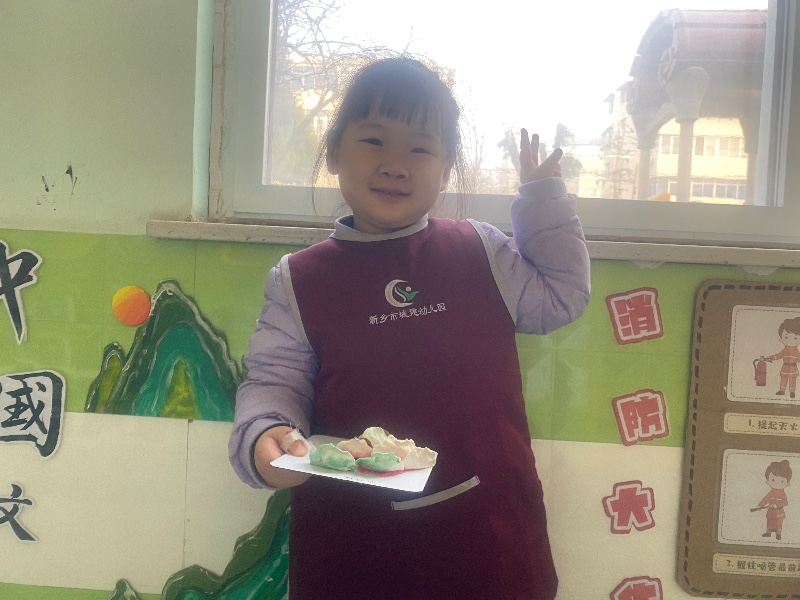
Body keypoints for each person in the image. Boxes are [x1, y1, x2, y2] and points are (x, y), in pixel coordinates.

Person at [229, 56, 591, 600]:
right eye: (374, 140)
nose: (396, 165)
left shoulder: (481, 250)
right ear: (334, 152)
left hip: (491, 540)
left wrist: (542, 200)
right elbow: (273, 381)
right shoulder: (297, 279)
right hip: (352, 549)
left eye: (420, 149)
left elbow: (561, 296)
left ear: (445, 171)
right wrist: (266, 435)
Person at [763, 316, 800, 398]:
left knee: (792, 380)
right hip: (785, 367)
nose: (790, 340)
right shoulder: (785, 350)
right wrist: (771, 358)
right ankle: (782, 391)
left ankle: (792, 392)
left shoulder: (796, 351)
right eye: (786, 337)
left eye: (795, 337)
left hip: (793, 368)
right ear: (781, 339)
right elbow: (779, 355)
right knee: (783, 379)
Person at [756, 460, 792, 541]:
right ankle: (768, 533)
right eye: (773, 480)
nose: (777, 483)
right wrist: (760, 506)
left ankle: (778, 534)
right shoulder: (771, 492)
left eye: (782, 481)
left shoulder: (782, 493)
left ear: (787, 484)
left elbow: (785, 502)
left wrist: (778, 504)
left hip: (778, 511)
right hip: (771, 510)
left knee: (778, 522)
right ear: (768, 481)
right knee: (770, 521)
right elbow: (765, 499)